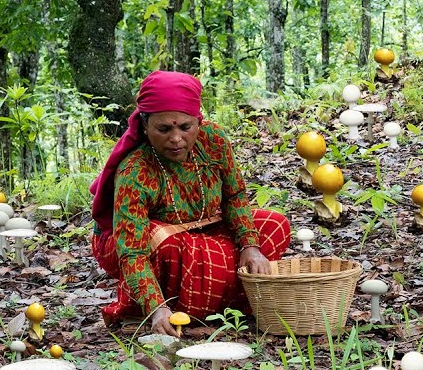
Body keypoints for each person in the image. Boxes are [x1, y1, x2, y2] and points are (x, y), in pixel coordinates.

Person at [90, 71, 290, 336]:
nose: (176, 138)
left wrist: (250, 245)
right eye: (163, 129)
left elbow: (234, 196)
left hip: (202, 228)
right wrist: (156, 307)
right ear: (145, 126)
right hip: (142, 242)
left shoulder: (214, 140)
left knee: (273, 225)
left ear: (199, 121)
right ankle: (169, 308)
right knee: (165, 246)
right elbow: (132, 251)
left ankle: (206, 298)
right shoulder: (135, 169)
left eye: (185, 127)